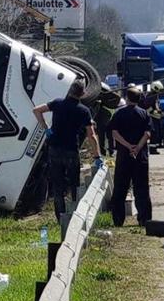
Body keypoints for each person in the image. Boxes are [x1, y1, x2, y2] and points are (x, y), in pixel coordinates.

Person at [33, 79, 103, 222]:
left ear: (69, 91)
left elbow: (37, 110)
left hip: (54, 149)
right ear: (82, 93)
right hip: (71, 150)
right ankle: (75, 215)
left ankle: (61, 218)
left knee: (58, 185)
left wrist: (46, 128)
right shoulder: (84, 111)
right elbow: (91, 135)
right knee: (74, 184)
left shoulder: (57, 103)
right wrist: (97, 156)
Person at [109, 87, 153, 227]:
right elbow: (147, 134)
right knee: (141, 188)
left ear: (127, 98)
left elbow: (115, 133)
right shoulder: (144, 114)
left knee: (120, 188)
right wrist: (137, 147)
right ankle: (144, 219)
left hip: (124, 156)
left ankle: (118, 219)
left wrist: (128, 146)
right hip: (140, 157)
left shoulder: (119, 114)